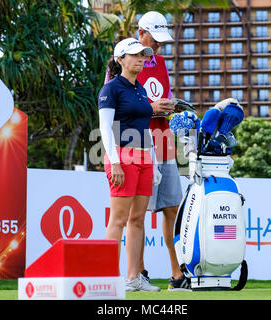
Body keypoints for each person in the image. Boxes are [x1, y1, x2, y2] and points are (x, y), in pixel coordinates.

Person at [98, 38, 161, 292]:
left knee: (137, 219)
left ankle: (133, 277)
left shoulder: (142, 90)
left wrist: (154, 162)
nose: (141, 59)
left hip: (145, 157)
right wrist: (114, 162)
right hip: (122, 157)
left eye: (143, 56)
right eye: (135, 55)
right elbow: (105, 128)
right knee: (119, 219)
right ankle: (106, 278)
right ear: (120, 59)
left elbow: (146, 128)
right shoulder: (111, 89)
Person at [136, 11, 190, 291]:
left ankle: (177, 275)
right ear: (140, 33)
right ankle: (138, 273)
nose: (158, 45)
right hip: (138, 142)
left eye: (160, 40)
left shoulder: (162, 62)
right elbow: (120, 105)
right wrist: (152, 107)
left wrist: (170, 106)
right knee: (139, 212)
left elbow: (161, 96)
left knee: (172, 208)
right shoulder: (124, 60)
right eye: (154, 39)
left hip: (164, 140)